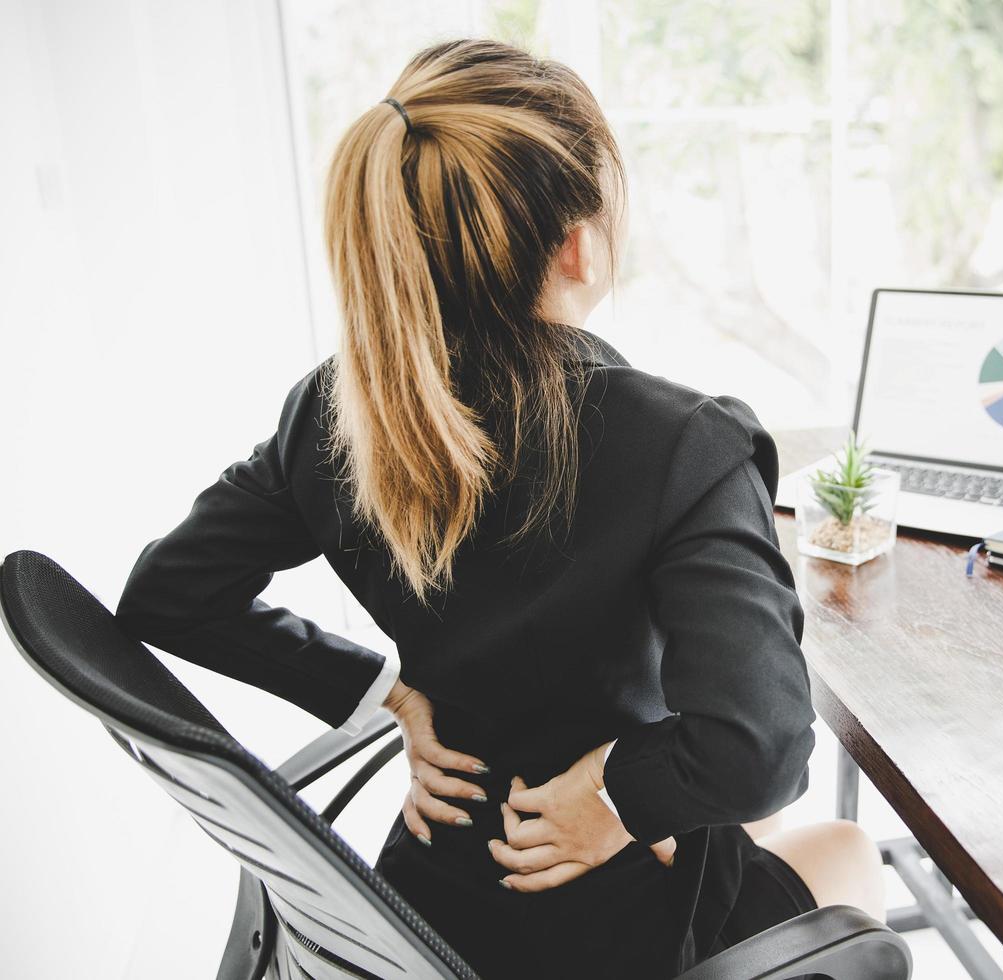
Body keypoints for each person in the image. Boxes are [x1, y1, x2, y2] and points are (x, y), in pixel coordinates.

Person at [114, 38, 883, 978]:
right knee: (845, 847)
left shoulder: (337, 411)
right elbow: (761, 748)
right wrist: (617, 802)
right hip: (610, 923)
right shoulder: (685, 444)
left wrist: (385, 694)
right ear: (580, 241)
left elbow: (169, 592)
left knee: (741, 810)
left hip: (430, 906)